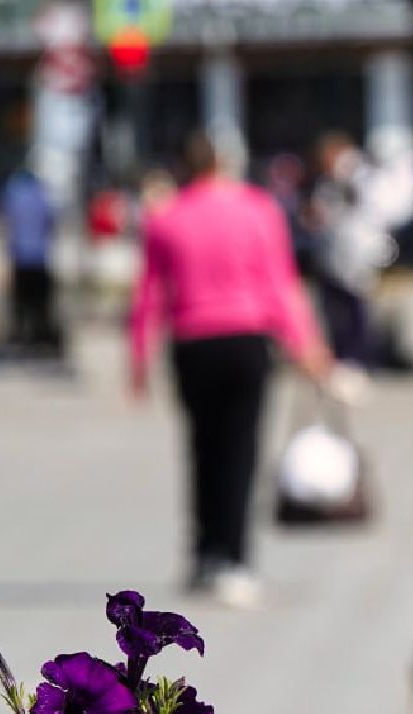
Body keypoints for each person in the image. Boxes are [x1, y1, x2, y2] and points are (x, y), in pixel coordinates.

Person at [130, 132, 332, 608]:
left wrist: (138, 357)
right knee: (240, 449)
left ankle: (204, 553)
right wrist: (306, 344)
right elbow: (279, 282)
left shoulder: (167, 217)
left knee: (201, 447)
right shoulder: (258, 210)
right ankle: (237, 560)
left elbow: (150, 291)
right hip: (246, 340)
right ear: (223, 164)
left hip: (192, 343)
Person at [308, 133, 395, 394]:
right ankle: (346, 360)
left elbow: (363, 212)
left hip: (355, 256)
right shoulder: (331, 181)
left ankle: (358, 361)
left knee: (355, 312)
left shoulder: (356, 176)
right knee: (339, 311)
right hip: (335, 256)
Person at [0, 164, 59, 354]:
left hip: (20, 257)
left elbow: (8, 222)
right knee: (40, 303)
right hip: (40, 257)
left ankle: (24, 338)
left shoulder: (13, 195)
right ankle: (40, 339)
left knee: (22, 303)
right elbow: (51, 222)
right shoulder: (42, 196)